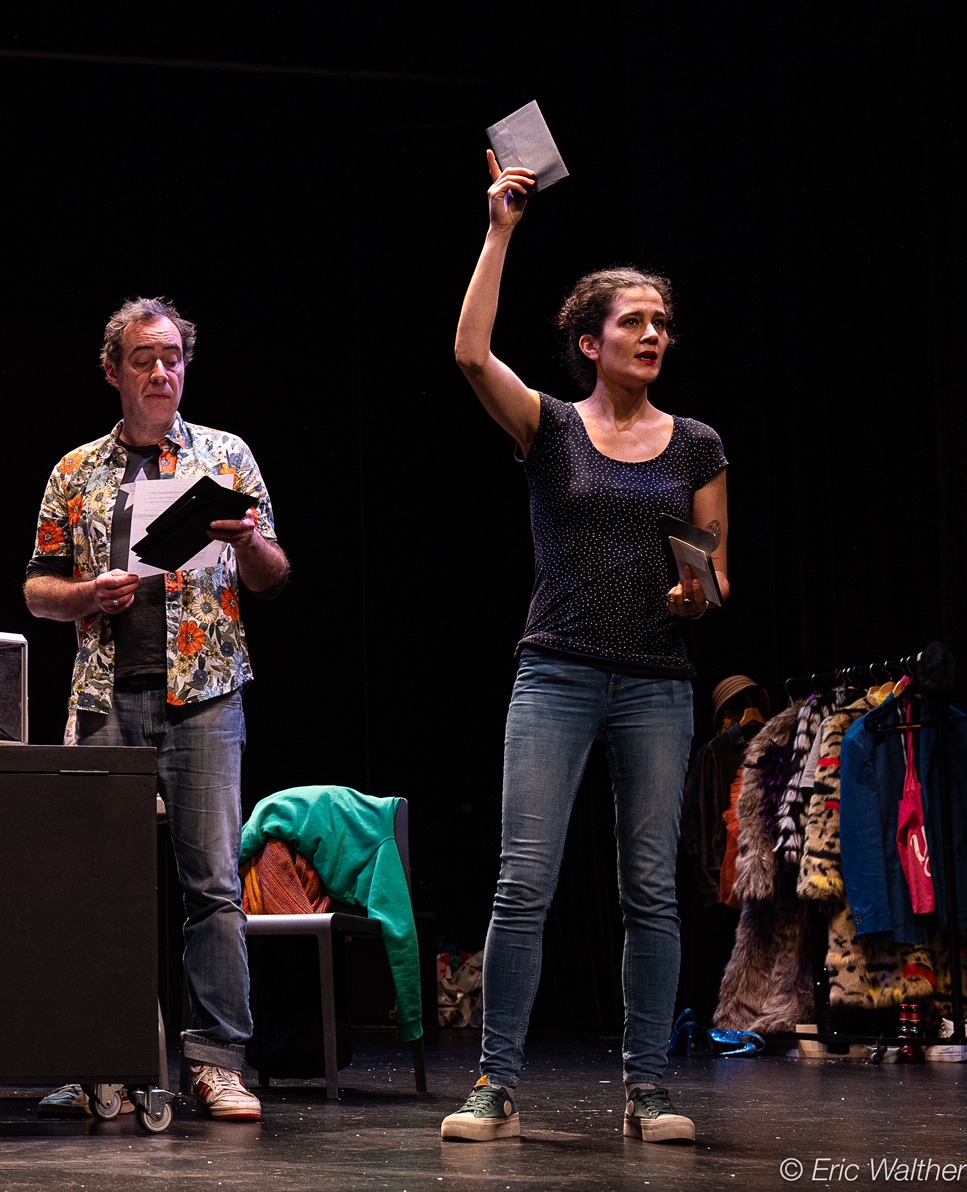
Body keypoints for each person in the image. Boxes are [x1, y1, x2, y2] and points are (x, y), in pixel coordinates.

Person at [440, 152, 729, 1145]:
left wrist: (696, 591)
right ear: (588, 341)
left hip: (655, 681)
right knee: (523, 881)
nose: (652, 335)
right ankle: (494, 1083)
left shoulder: (696, 443)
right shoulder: (552, 428)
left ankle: (647, 1089)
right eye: (634, 322)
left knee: (650, 889)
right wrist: (500, 229)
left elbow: (716, 571)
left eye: (661, 322)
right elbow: (469, 354)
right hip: (556, 670)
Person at [23, 297, 289, 1122]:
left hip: (204, 696)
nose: (161, 372)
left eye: (172, 357)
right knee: (99, 886)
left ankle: (216, 1063)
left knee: (212, 884)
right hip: (106, 697)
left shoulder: (224, 455)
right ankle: (98, 1059)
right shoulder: (76, 470)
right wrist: (85, 595)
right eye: (144, 359)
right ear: (113, 371)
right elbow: (36, 588)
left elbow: (273, 575)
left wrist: (247, 542)